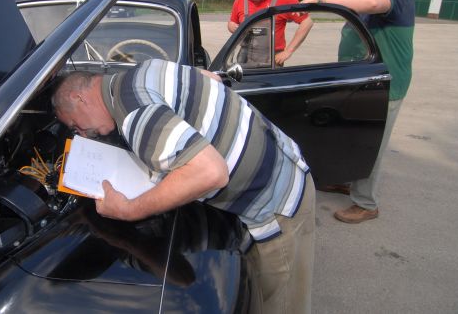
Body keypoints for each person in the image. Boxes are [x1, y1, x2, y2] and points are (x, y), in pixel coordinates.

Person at [52, 59, 315, 313]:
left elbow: (211, 173)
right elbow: (208, 77)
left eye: (76, 125)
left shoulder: (135, 117)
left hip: (277, 206)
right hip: (287, 163)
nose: (84, 134)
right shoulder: (145, 68)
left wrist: (129, 210)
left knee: (279, 304)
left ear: (79, 98)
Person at [302, 0, 414, 224]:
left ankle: (366, 203)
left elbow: (374, 3)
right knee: (350, 134)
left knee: (369, 143)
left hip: (383, 86)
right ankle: (345, 180)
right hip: (361, 84)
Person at [228, 0, 313, 66]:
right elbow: (232, 22)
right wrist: (231, 26)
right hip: (244, 55)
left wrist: (288, 52)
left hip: (273, 58)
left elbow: (307, 22)